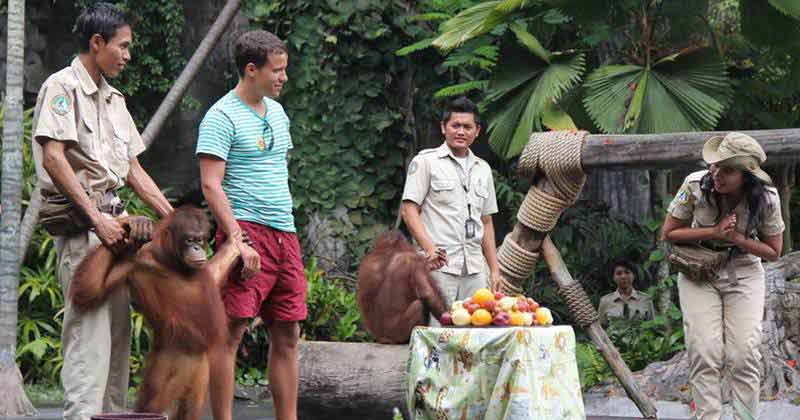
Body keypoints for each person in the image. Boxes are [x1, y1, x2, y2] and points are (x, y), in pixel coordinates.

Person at [31, 3, 173, 419]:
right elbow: (54, 159)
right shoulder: (62, 88)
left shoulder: (114, 99)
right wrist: (98, 221)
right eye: (123, 46)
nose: (129, 55)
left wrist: (172, 219)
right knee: (88, 340)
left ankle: (110, 416)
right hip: (84, 231)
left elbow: (132, 169)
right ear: (98, 43)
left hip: (120, 232)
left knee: (117, 336)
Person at [196, 30, 306, 420]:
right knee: (231, 331)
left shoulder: (277, 112)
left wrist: (285, 231)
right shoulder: (221, 116)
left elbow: (277, 170)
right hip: (246, 230)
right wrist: (238, 243)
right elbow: (211, 185)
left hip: (284, 233)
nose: (283, 78)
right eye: (277, 70)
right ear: (250, 69)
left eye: (284, 69)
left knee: (289, 331)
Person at [661, 132, 784, 420]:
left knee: (744, 354)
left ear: (746, 175)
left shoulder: (767, 198)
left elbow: (773, 252)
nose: (717, 173)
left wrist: (739, 239)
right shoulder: (694, 185)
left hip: (744, 270)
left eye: (727, 169)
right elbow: (668, 233)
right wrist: (714, 232)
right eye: (715, 165)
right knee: (704, 351)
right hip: (699, 269)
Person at [401, 96, 500, 325]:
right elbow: (409, 210)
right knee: (438, 334)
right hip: (439, 267)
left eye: (467, 127)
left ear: (477, 131)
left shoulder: (482, 169)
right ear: (443, 127)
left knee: (477, 332)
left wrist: (494, 269)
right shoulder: (426, 162)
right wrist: (429, 249)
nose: (461, 132)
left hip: (475, 268)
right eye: (455, 125)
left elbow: (486, 221)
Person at [597, 258, 656, 325]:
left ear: (634, 275)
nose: (623, 276)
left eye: (627, 272)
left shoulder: (646, 299)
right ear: (613, 277)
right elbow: (601, 329)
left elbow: (652, 326)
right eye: (619, 273)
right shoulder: (605, 301)